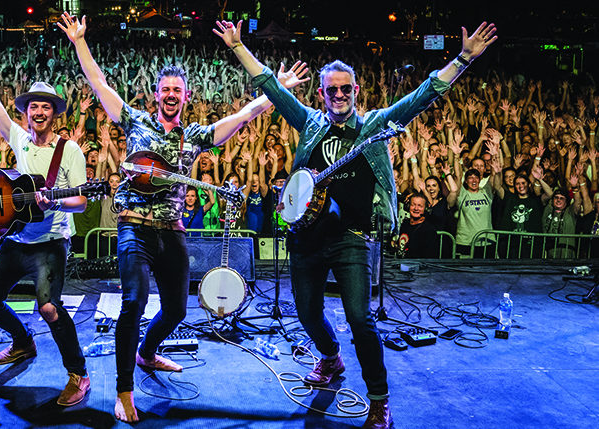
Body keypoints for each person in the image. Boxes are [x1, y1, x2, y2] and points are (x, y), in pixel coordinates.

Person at [217, 18, 498, 429]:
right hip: (307, 237)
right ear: (322, 94)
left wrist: (463, 59)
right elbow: (271, 88)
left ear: (356, 91)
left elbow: (422, 96)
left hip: (351, 237)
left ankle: (379, 400)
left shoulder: (373, 125)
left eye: (345, 89)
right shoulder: (311, 123)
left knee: (361, 320)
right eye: (331, 90)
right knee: (308, 315)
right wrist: (239, 46)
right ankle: (330, 358)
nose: (339, 95)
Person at [59, 13, 306, 422]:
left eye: (178, 90)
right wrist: (80, 42)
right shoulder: (135, 120)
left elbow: (244, 116)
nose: (171, 94)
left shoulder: (193, 136)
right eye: (165, 89)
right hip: (134, 226)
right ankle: (124, 392)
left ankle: (147, 353)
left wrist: (277, 88)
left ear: (185, 97)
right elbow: (99, 84)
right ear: (156, 95)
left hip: (171, 230)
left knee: (175, 312)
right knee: (134, 303)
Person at [0, 18, 90, 408]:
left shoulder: (69, 152)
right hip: (15, 238)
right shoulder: (18, 137)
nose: (38, 111)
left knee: (50, 308)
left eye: (46, 107)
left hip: (50, 243)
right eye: (33, 106)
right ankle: (22, 343)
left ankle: (78, 375)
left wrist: (54, 201)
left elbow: (83, 201)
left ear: (54, 114)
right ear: (25, 113)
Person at [392, 193, 439, 258]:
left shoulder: (429, 230)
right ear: (408, 206)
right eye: (413, 205)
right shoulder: (405, 224)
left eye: (420, 206)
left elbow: (430, 259)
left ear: (426, 209)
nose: (416, 208)